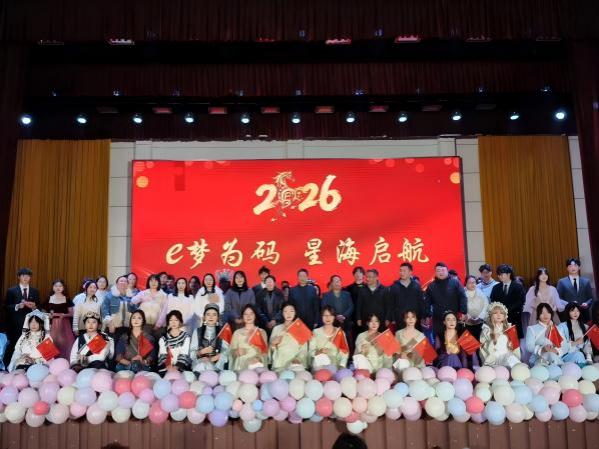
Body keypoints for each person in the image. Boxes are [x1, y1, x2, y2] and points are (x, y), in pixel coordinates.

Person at [4, 267, 40, 366]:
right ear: (19, 277)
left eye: (28, 276)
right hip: (15, 325)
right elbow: (6, 307)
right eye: (23, 275)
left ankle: (27, 365)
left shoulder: (35, 291)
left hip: (31, 324)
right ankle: (9, 366)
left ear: (30, 278)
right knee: (14, 345)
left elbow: (39, 308)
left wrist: (34, 307)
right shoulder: (11, 291)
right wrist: (17, 306)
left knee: (29, 345)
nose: (25, 278)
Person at [425, 262, 467, 335]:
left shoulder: (455, 283)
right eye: (438, 270)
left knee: (455, 339)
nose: (441, 272)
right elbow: (427, 302)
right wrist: (427, 316)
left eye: (443, 270)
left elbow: (462, 297)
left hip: (454, 317)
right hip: (438, 319)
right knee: (440, 339)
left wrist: (463, 312)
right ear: (435, 272)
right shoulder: (431, 286)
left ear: (447, 271)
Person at [479, 302, 521, 368]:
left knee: (517, 367)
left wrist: (517, 358)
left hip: (508, 356)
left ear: (504, 316)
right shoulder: (487, 329)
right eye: (495, 313)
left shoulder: (509, 328)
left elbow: (516, 347)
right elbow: (483, 347)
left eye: (501, 313)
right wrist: (493, 340)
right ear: (490, 315)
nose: (499, 315)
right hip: (494, 358)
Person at [387, 263, 428, 330]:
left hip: (415, 320)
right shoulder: (394, 287)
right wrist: (392, 318)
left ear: (410, 272)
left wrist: (423, 317)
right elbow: (391, 304)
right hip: (400, 320)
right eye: (400, 270)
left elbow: (421, 303)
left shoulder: (416, 286)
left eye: (404, 271)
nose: (401, 273)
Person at [269, 302, 309, 371]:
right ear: (282, 313)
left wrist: (298, 359)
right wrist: (273, 344)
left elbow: (304, 349)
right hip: (279, 364)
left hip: (296, 364)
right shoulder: (276, 328)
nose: (288, 314)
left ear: (295, 312)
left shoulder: (300, 328)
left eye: (291, 311)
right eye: (285, 311)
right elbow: (271, 350)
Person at [490, 264, 526, 338]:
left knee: (514, 341)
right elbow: (493, 302)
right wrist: (500, 312)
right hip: (500, 320)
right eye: (498, 275)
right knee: (501, 340)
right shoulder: (495, 288)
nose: (500, 276)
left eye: (502, 274)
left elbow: (520, 302)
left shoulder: (518, 287)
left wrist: (506, 311)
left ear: (509, 274)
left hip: (514, 318)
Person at [190, 304, 228, 373]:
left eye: (214, 315)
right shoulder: (197, 331)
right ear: (204, 317)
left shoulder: (223, 331)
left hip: (217, 366)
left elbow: (226, 352)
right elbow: (191, 354)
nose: (211, 317)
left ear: (218, 317)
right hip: (200, 365)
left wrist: (211, 359)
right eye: (208, 314)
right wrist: (202, 352)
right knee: (202, 366)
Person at [229, 304, 268, 371]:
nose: (248, 316)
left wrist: (258, 359)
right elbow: (231, 352)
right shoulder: (237, 333)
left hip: (257, 364)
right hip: (241, 364)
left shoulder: (261, 332)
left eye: (251, 314)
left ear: (255, 316)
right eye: (245, 314)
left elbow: (265, 352)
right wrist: (237, 352)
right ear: (242, 316)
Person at [309, 305, 349, 370]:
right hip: (319, 365)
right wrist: (320, 351)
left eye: (331, 315)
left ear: (334, 317)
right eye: (325, 315)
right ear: (321, 317)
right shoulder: (315, 332)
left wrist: (342, 366)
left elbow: (344, 352)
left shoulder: (340, 332)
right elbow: (311, 352)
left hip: (335, 366)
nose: (328, 318)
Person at [44, 279, 75, 359]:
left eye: (60, 286)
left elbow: (72, 314)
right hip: (51, 325)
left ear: (63, 288)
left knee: (66, 343)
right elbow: (43, 312)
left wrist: (64, 315)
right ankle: (50, 362)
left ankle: (65, 361)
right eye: (56, 286)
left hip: (64, 324)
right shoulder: (48, 299)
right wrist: (48, 315)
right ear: (53, 287)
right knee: (52, 342)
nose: (58, 288)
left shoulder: (67, 299)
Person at [102, 275, 136, 341]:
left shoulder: (131, 296)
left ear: (127, 284)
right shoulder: (109, 295)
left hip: (127, 327)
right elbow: (104, 310)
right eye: (121, 281)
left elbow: (135, 310)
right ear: (116, 284)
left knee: (126, 346)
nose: (123, 282)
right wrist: (110, 323)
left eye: (125, 281)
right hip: (113, 327)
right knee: (111, 345)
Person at [463, 275, 488, 341]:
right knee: (470, 343)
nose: (472, 284)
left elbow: (486, 306)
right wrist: (469, 317)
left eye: (474, 282)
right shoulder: (462, 293)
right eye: (470, 282)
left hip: (480, 322)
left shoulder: (481, 293)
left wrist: (480, 317)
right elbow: (461, 306)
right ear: (466, 283)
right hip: (467, 323)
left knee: (480, 341)